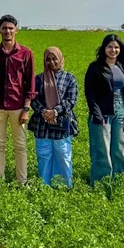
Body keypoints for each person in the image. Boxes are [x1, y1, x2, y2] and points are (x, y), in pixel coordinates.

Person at [0, 15, 36, 184]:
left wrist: (26, 108)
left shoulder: (26, 53)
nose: (7, 31)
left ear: (16, 30)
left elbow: (30, 81)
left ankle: (22, 181)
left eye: (10, 28)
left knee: (20, 145)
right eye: (4, 28)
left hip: (18, 106)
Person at [84, 33, 124, 184]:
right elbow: (90, 93)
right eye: (110, 47)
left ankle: (120, 181)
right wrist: (97, 114)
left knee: (120, 148)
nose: (113, 50)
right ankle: (101, 182)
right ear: (104, 48)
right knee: (102, 150)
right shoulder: (95, 67)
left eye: (116, 47)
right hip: (102, 113)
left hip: (121, 112)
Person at [28, 47, 79, 188]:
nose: (51, 62)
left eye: (54, 58)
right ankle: (45, 185)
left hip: (61, 123)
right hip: (42, 123)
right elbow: (33, 98)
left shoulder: (69, 78)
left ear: (60, 59)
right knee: (43, 155)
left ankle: (64, 186)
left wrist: (55, 111)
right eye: (48, 59)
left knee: (63, 155)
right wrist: (44, 111)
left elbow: (71, 100)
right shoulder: (38, 79)